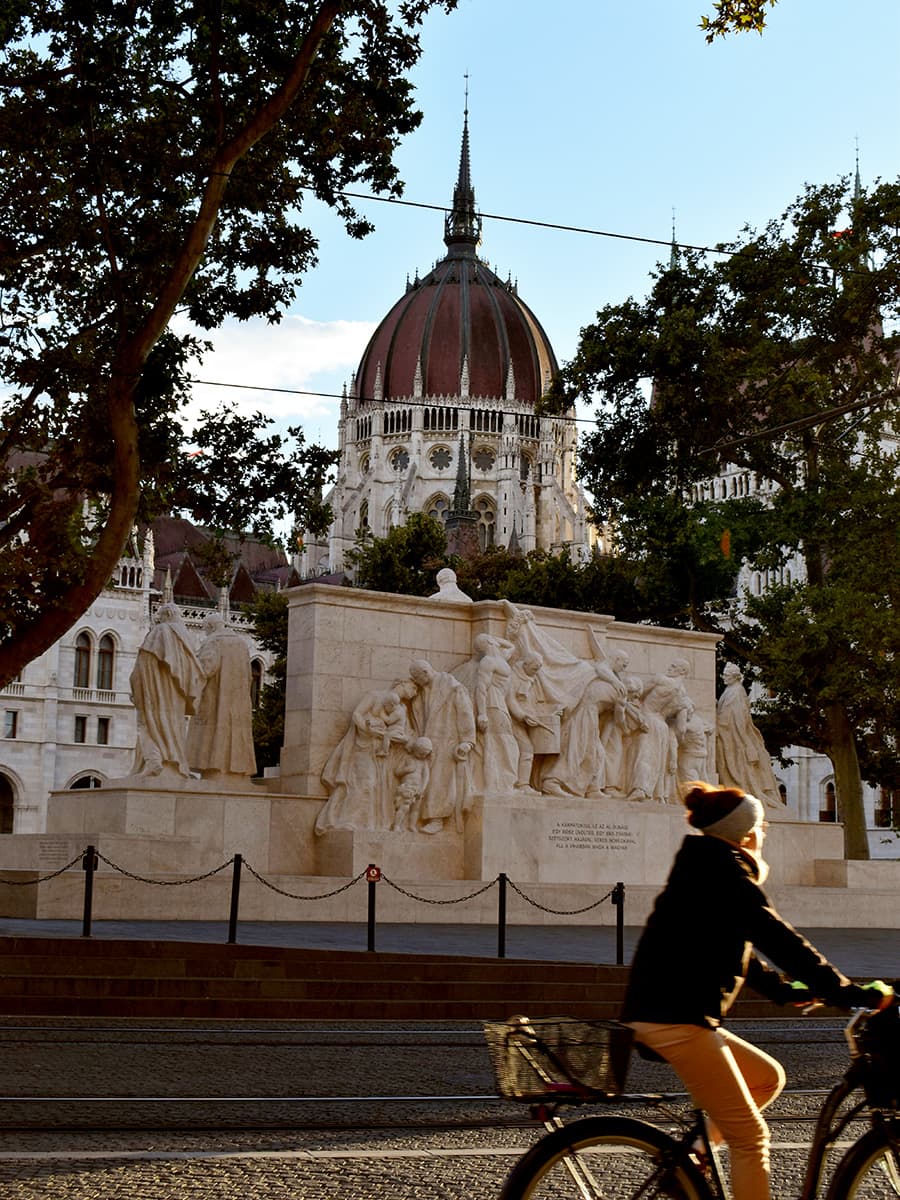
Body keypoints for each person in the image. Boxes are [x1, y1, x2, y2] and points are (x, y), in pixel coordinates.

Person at [621, 781, 894, 1200]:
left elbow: (738, 950)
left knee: (767, 1078)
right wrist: (847, 993)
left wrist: (784, 992)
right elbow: (777, 938)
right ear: (747, 833)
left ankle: (693, 1155)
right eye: (763, 826)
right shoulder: (724, 871)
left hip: (673, 1011)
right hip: (676, 1019)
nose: (765, 833)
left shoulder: (704, 865)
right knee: (751, 1139)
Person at [129, 603, 204, 778]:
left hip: (155, 692)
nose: (158, 621)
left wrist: (136, 685)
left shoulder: (160, 631)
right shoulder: (187, 638)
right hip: (176, 695)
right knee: (174, 727)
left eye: (159, 617)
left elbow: (144, 662)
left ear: (166, 615)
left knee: (147, 725)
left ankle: (154, 761)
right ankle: (176, 763)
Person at [186, 614, 257, 780]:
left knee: (215, 735)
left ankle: (215, 769)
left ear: (210, 627)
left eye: (205, 630)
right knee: (236, 735)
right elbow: (249, 676)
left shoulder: (213, 642)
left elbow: (205, 669)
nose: (205, 633)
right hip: (239, 703)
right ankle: (236, 771)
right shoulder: (241, 644)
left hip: (216, 701)